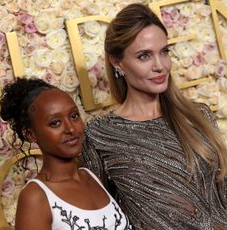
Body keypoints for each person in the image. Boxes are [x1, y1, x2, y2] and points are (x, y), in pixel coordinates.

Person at [82, 3, 227, 230]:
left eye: (164, 52)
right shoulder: (100, 134)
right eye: (144, 56)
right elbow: (102, 218)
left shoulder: (198, 116)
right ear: (117, 62)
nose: (160, 66)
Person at [0, 77, 132, 230]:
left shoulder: (91, 177)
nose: (70, 129)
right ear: (30, 134)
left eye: (74, 116)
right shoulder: (35, 197)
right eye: (55, 123)